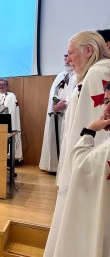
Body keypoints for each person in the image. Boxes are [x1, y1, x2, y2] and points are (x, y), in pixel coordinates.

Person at [45, 31, 110, 256]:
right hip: (80, 162)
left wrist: (85, 167)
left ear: (88, 50)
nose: (69, 59)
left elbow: (100, 128)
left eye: (72, 53)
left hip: (85, 168)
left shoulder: (98, 74)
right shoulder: (89, 75)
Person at [39, 54, 76, 172]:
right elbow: (53, 93)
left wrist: (66, 103)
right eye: (64, 57)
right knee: (54, 137)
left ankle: (64, 169)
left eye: (68, 57)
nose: (66, 60)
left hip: (69, 111)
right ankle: (54, 166)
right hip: (57, 111)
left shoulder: (78, 74)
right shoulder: (61, 75)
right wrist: (57, 102)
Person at [0, 78, 23, 161]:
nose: (0, 86)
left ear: (7, 86)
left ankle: (11, 158)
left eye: (3, 84)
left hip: (8, 122)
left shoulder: (11, 96)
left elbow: (13, 110)